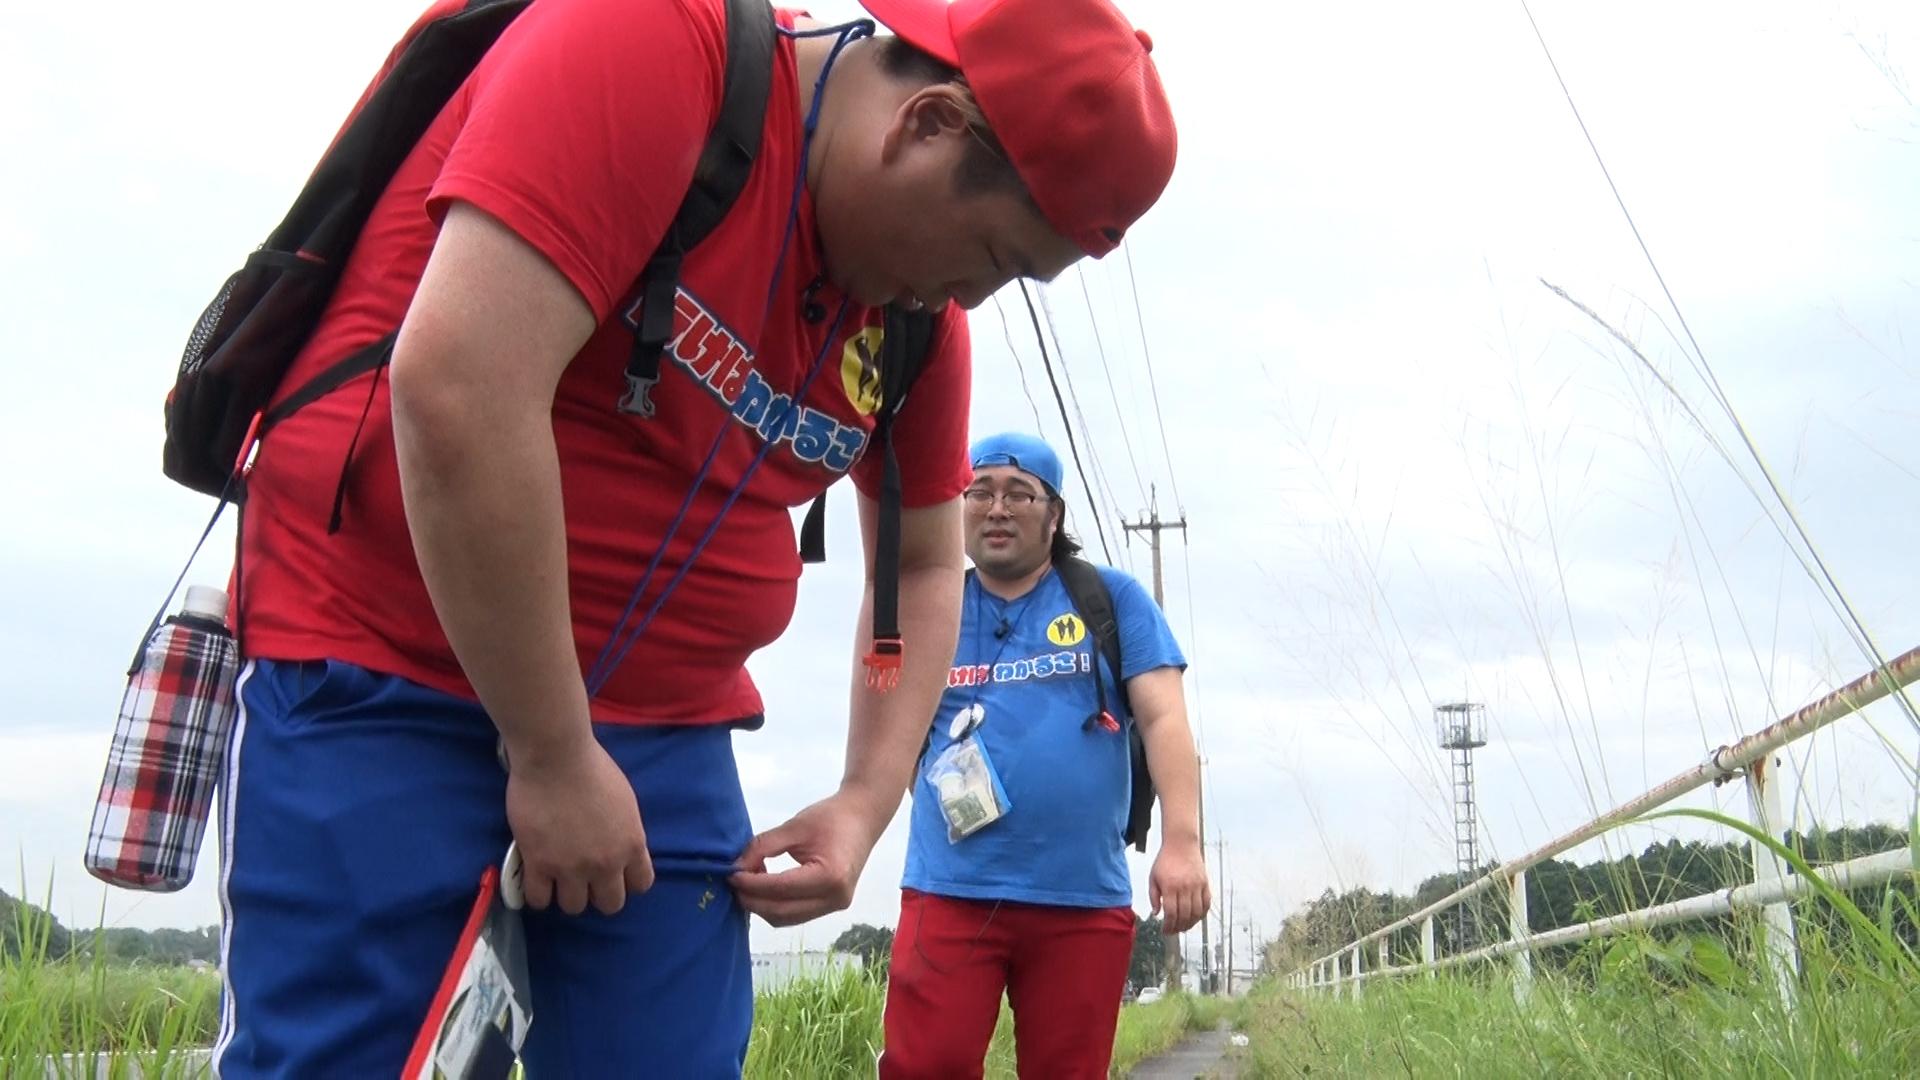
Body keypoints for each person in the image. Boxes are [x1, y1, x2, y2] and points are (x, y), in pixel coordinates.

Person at [206, 0, 1176, 1072]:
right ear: (928, 124)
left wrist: (864, 802)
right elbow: (459, 384)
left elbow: (921, 561)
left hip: (660, 728)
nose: (969, 301)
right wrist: (551, 749)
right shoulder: (650, 42)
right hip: (385, 662)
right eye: (990, 254)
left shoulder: (910, 328)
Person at [879, 432, 1210, 1079]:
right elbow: (883, 727)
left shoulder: (1111, 601)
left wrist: (1184, 844)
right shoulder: (929, 604)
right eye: (979, 492)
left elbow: (1165, 717)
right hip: (950, 891)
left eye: (1019, 493)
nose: (997, 508)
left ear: (1053, 516)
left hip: (1080, 899)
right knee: (925, 1066)